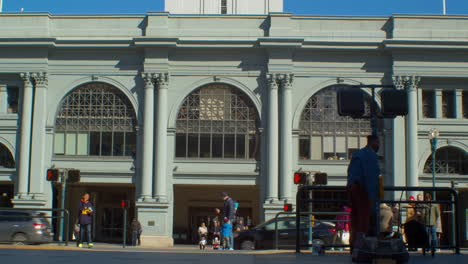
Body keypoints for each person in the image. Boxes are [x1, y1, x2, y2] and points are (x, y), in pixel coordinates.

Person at [346, 135, 380, 250]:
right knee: (363, 219)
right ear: (373, 142)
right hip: (363, 191)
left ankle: (354, 244)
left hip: (354, 189)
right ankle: (360, 246)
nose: (379, 145)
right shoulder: (371, 156)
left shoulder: (358, 154)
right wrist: (372, 197)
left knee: (355, 218)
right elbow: (370, 178)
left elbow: (350, 173)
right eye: (377, 142)